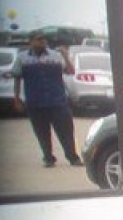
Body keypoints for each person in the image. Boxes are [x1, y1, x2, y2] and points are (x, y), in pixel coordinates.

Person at [11, 30, 83, 167]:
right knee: (41, 132)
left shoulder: (55, 56)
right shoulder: (22, 58)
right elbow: (17, 78)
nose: (42, 42)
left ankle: (73, 157)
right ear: (31, 42)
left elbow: (71, 71)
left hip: (57, 100)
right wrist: (16, 98)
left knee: (66, 131)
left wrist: (66, 56)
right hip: (35, 101)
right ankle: (48, 158)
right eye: (39, 39)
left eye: (44, 39)